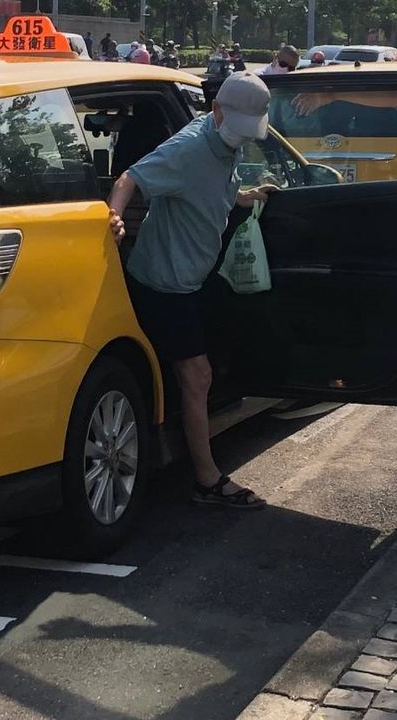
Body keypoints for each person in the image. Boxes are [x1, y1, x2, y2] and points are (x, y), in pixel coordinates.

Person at [106, 72, 275, 508]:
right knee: (196, 375)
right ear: (216, 111)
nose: (243, 138)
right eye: (239, 129)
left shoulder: (228, 143)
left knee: (210, 363)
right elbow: (129, 179)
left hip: (195, 278)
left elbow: (214, 186)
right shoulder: (187, 148)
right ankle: (206, 479)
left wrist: (244, 196)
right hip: (164, 282)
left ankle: (187, 446)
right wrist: (114, 217)